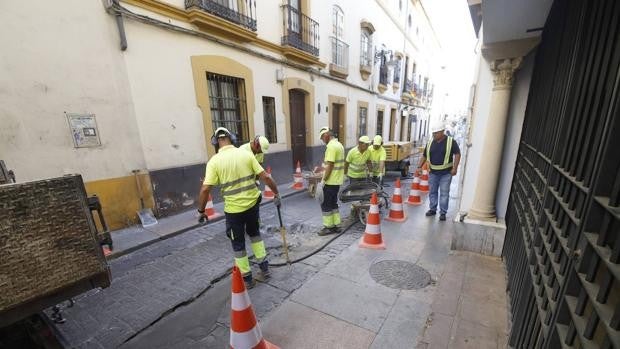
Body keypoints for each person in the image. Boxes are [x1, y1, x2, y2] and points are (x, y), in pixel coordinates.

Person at [197, 127, 281, 289]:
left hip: (234, 211)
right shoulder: (246, 154)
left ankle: (248, 279)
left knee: (238, 244)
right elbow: (266, 177)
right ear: (232, 138)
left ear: (215, 142)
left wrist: (201, 212)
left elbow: (205, 189)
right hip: (252, 205)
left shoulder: (214, 162)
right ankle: (264, 268)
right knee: (255, 234)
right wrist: (277, 194)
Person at [417, 122, 461, 221]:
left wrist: (455, 168)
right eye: (433, 133)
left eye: (436, 133)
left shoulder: (451, 142)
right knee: (432, 192)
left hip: (446, 173)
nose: (434, 135)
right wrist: (419, 167)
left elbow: (457, 154)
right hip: (433, 173)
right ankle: (432, 209)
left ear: (442, 132)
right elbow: (424, 155)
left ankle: (443, 213)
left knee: (444, 193)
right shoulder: (430, 143)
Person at [317, 126, 345, 236]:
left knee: (325, 205)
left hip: (330, 182)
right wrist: (321, 169)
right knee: (333, 204)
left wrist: (323, 180)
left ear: (327, 135)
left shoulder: (331, 147)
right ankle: (336, 225)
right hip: (337, 181)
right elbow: (330, 164)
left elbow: (330, 165)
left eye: (322, 138)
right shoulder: (339, 145)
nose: (322, 140)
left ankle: (328, 227)